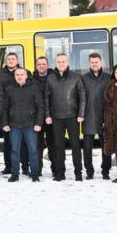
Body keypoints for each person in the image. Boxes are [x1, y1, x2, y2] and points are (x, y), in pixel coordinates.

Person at [44, 53, 86, 181]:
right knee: (58, 147)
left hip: (72, 117)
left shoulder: (76, 77)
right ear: (55, 63)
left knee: (75, 146)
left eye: (63, 61)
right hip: (56, 117)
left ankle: (78, 173)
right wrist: (47, 115)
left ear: (67, 62)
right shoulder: (50, 78)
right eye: (58, 62)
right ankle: (60, 173)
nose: (61, 63)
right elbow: (46, 98)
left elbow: (82, 96)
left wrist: (81, 114)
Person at [1, 68, 44, 182]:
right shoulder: (9, 89)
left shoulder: (34, 88)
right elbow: (5, 108)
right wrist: (4, 123)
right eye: (17, 75)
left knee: (33, 150)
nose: (19, 76)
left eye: (22, 74)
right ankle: (15, 174)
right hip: (14, 125)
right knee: (15, 150)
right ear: (14, 76)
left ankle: (34, 173)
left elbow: (40, 107)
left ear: (26, 76)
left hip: (30, 125)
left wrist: (38, 123)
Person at [0, 53, 30, 175]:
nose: (11, 61)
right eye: (9, 59)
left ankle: (25, 166)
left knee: (24, 143)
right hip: (7, 113)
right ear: (6, 61)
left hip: (24, 113)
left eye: (13, 59)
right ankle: (8, 166)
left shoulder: (26, 72)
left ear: (17, 60)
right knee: (8, 143)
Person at [81, 53, 112, 179]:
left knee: (106, 146)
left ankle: (106, 171)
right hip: (88, 116)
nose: (94, 64)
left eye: (96, 62)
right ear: (89, 63)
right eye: (92, 62)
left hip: (104, 117)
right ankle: (89, 171)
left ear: (101, 62)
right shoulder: (83, 78)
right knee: (87, 147)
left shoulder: (108, 78)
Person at [33, 56, 56, 177]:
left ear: (47, 65)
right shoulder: (31, 79)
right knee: (37, 146)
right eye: (39, 64)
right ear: (36, 66)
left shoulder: (54, 78)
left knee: (53, 145)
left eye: (43, 64)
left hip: (52, 117)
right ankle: (37, 170)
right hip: (37, 118)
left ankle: (55, 170)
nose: (41, 66)